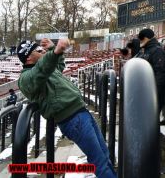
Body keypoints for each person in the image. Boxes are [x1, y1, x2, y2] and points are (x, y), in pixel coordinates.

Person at [17, 38, 116, 177]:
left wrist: (53, 50)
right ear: (28, 58)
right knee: (99, 160)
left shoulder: (46, 67)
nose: (42, 51)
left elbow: (58, 64)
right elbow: (41, 70)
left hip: (81, 112)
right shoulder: (26, 78)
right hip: (72, 119)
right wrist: (55, 51)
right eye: (38, 50)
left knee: (104, 154)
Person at [135, 29, 165, 111]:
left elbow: (161, 74)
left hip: (153, 92)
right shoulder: (147, 51)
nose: (140, 41)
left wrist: (154, 92)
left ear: (146, 38)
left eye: (141, 38)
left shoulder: (157, 51)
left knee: (152, 117)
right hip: (147, 90)